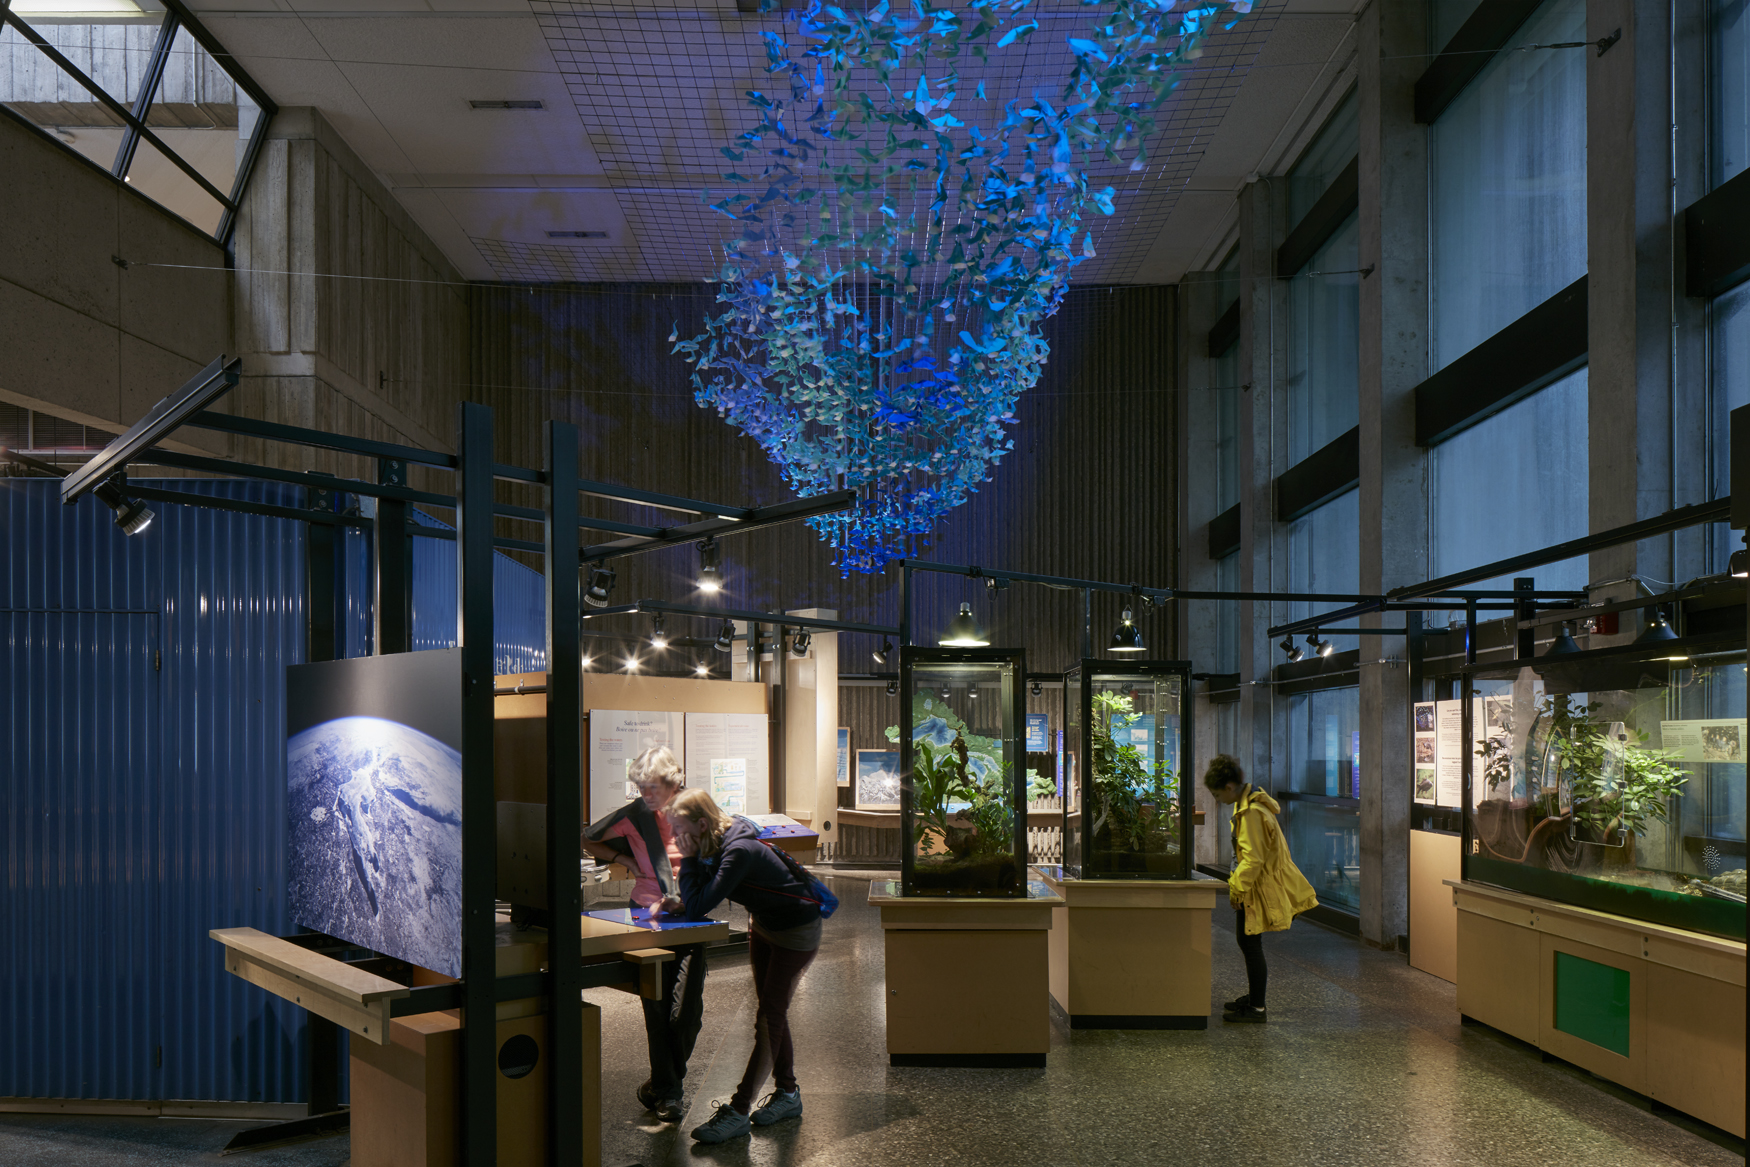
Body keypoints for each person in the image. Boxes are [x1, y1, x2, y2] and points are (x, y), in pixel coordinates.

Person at [661, 788, 824, 1144]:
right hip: (765, 924)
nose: (674, 837)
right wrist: (685, 895)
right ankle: (788, 1094)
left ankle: (738, 1110)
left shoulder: (739, 850)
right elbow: (696, 899)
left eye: (679, 829)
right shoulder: (715, 841)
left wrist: (686, 863)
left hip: (797, 931)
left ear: (702, 824)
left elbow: (699, 905)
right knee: (772, 1012)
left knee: (768, 1018)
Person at [581, 746, 700, 1123]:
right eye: (640, 787)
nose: (646, 795)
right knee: (657, 1005)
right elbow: (588, 837)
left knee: (687, 1013)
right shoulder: (634, 816)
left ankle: (659, 1084)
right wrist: (624, 859)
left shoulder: (696, 810)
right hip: (646, 914)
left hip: (692, 915)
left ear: (674, 781)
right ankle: (669, 1093)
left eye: (653, 787)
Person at [1204, 754, 1317, 1024]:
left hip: (1255, 886)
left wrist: (1237, 889)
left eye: (1217, 794)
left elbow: (1253, 858)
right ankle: (1254, 999)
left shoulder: (1252, 812)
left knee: (1250, 943)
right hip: (1254, 884)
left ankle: (1257, 1008)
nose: (1217, 800)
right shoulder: (1247, 804)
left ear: (1229, 787)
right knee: (1248, 942)